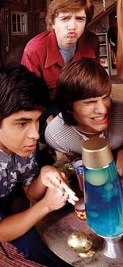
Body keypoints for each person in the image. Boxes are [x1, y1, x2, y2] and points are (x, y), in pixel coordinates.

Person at [0, 64, 78, 267]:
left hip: (8, 197)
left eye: (37, 121)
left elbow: (30, 193)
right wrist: (46, 206)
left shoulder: (23, 145)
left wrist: (45, 173)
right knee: (31, 246)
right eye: (22, 123)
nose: (35, 134)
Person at [45, 58, 123, 172]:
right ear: (68, 106)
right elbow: (79, 163)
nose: (103, 110)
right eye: (90, 102)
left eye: (106, 97)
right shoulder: (56, 135)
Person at [21, 0, 99, 99]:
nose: (72, 26)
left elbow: (95, 83)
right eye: (65, 19)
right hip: (48, 106)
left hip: (81, 102)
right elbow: (28, 95)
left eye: (80, 19)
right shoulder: (34, 50)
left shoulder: (92, 42)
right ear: (52, 22)